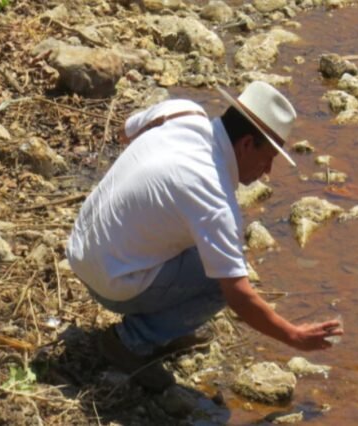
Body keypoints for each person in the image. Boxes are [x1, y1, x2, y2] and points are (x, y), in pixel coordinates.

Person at [66, 81, 343, 392]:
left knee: (208, 249)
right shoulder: (215, 198)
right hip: (110, 283)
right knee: (220, 280)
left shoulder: (181, 112)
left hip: (79, 247)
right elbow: (239, 295)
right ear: (247, 144)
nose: (268, 171)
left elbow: (124, 132)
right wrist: (294, 336)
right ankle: (130, 342)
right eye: (269, 158)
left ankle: (158, 324)